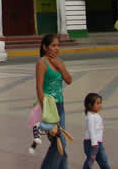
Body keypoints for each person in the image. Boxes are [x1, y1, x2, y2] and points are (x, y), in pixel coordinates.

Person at [36, 33, 72, 168]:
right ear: (45, 47)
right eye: (53, 46)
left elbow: (68, 80)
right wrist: (46, 114)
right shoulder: (42, 63)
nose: (57, 49)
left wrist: (61, 67)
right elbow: (39, 89)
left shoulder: (59, 62)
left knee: (61, 143)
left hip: (60, 106)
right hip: (49, 107)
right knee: (58, 142)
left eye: (58, 46)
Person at [83, 93, 111, 169]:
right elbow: (91, 130)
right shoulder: (91, 117)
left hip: (98, 143)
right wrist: (94, 143)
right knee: (90, 162)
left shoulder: (95, 115)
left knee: (104, 160)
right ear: (89, 105)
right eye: (97, 103)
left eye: (100, 103)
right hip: (91, 143)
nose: (100, 105)